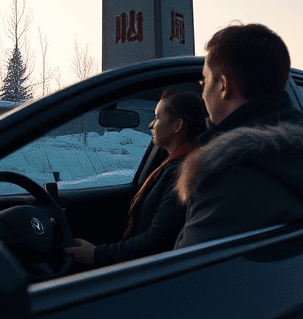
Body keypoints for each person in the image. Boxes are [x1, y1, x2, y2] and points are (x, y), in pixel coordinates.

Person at [174, 23, 303, 249]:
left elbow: (187, 274)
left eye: (204, 80)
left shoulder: (230, 176)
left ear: (224, 85)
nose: (202, 89)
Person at [64, 90, 207, 267]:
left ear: (177, 125)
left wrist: (97, 255)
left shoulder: (183, 171)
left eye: (157, 117)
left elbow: (157, 240)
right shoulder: (174, 164)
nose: (150, 124)